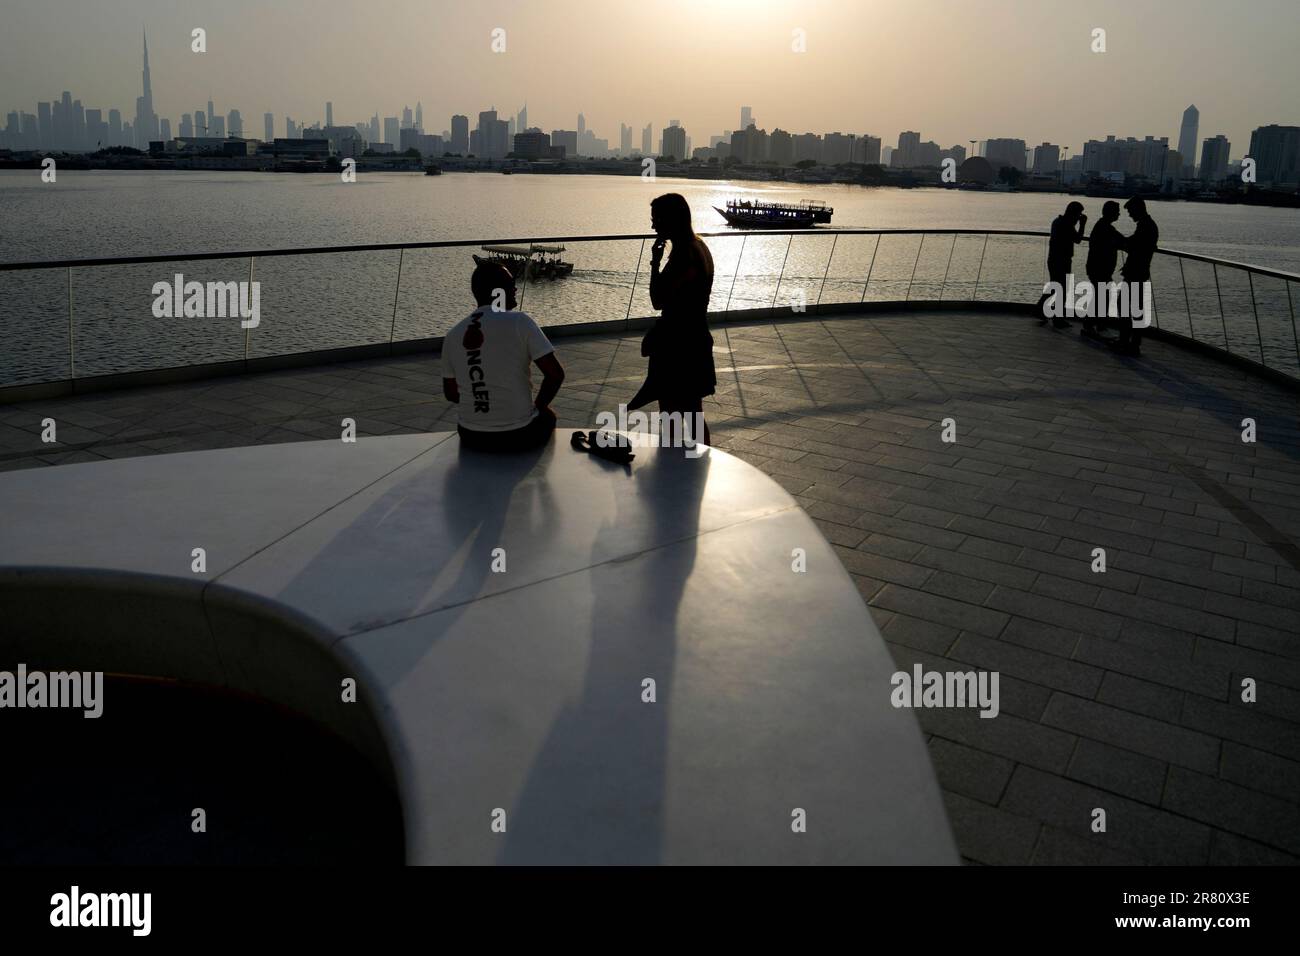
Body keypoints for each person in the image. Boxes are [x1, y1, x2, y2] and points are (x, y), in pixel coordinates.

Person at [442, 257, 565, 451]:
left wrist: (480, 399)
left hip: (470, 435)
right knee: (548, 416)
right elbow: (556, 374)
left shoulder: (453, 335)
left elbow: (450, 393)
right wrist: (539, 405)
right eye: (510, 285)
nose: (515, 289)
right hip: (518, 435)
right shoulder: (520, 322)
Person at [628, 193, 716, 448]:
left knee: (671, 410)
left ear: (671, 219)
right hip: (695, 337)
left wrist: (654, 264)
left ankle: (673, 466)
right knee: (692, 411)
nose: (653, 225)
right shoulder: (700, 248)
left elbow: (658, 300)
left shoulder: (683, 256)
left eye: (657, 219)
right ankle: (700, 463)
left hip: (679, 343)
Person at [1113, 196, 1159, 356]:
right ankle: (1131, 341)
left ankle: (1129, 341)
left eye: (1131, 211)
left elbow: (1134, 245)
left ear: (1138, 209)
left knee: (1125, 306)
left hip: (1136, 272)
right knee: (1134, 308)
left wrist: (1123, 243)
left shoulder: (1145, 226)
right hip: (1138, 272)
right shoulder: (1147, 226)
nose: (1130, 215)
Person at [1037, 201, 1087, 328]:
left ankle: (1040, 309)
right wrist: (1082, 225)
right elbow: (1077, 239)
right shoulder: (1067, 224)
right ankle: (1057, 318)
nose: (1079, 216)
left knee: (1055, 286)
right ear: (1074, 213)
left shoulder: (1058, 222)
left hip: (1054, 259)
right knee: (1062, 289)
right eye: (1078, 214)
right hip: (1062, 260)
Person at [1083, 200, 1127, 339]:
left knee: (1100, 296)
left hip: (1097, 268)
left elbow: (1120, 241)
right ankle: (1093, 325)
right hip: (1100, 269)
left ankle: (1094, 324)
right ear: (1111, 213)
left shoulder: (1103, 226)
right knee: (1102, 297)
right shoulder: (1106, 228)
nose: (1119, 214)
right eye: (1117, 212)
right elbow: (1123, 242)